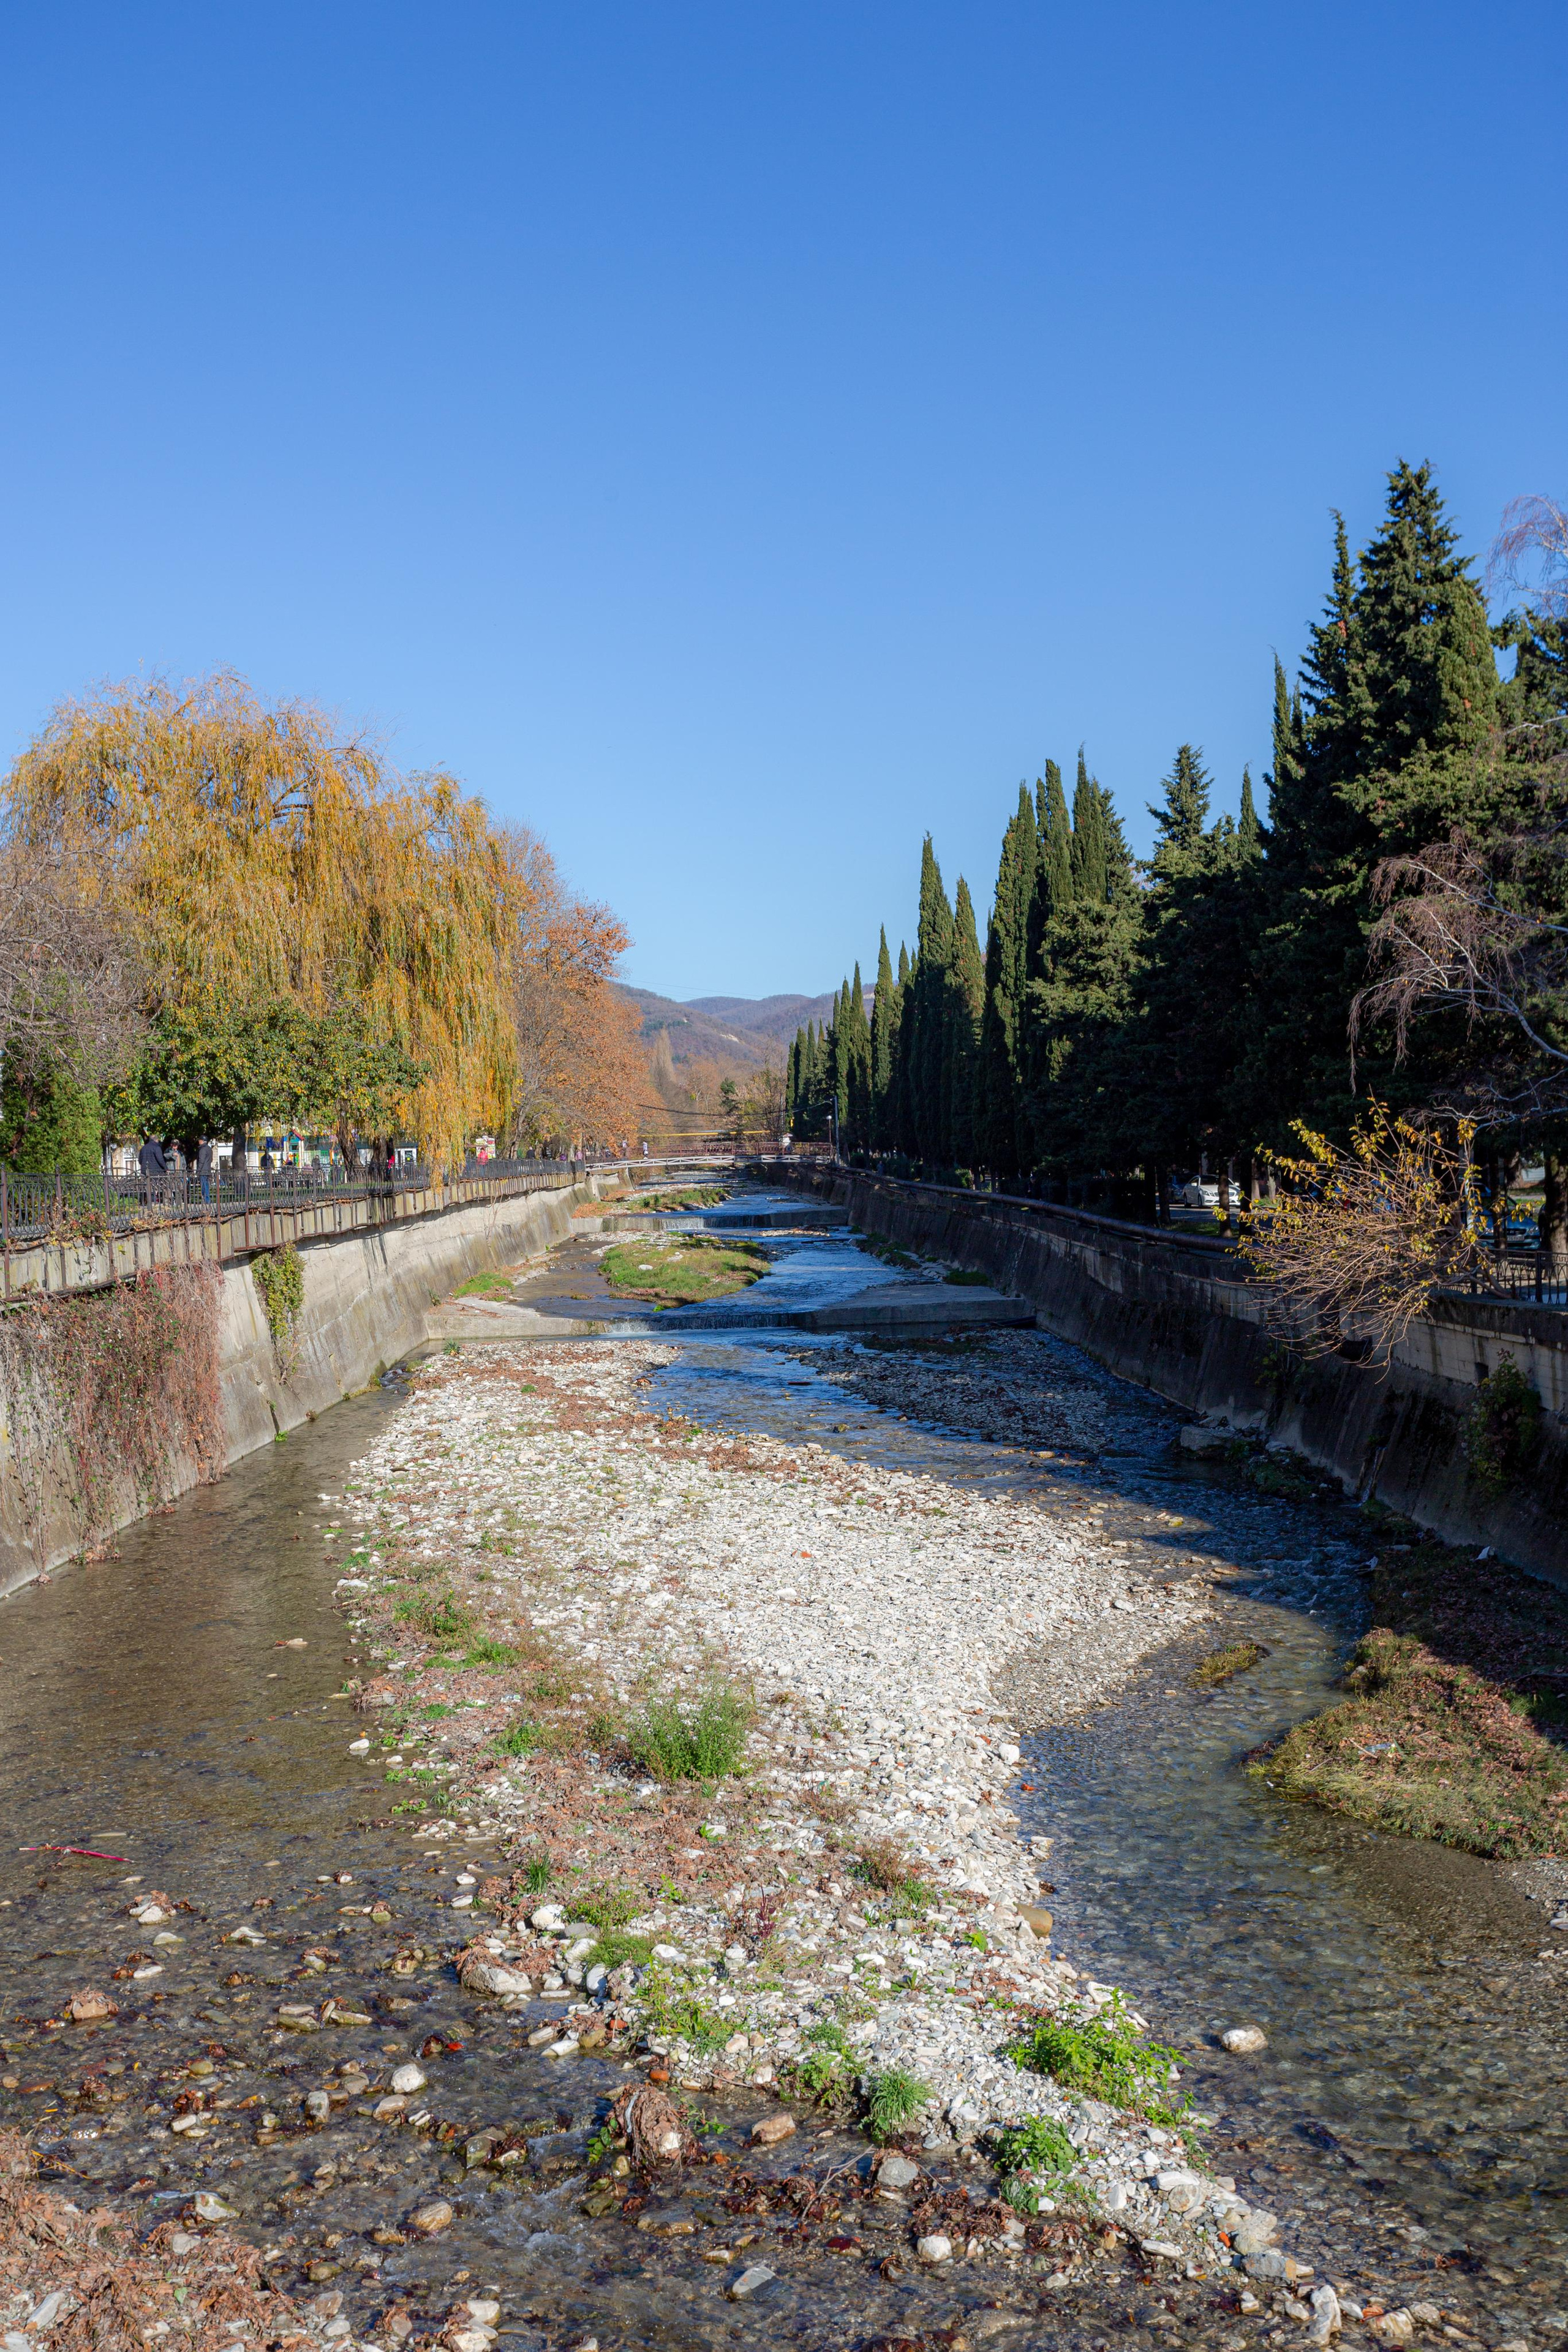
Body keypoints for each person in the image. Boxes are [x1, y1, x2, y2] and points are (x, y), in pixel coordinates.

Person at [197, 1138, 214, 1205]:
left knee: (204, 1186)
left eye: (199, 1140)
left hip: (203, 1170)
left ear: (202, 1141)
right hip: (208, 1169)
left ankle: (206, 1200)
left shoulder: (203, 1149)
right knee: (206, 1185)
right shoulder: (209, 1149)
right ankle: (206, 1199)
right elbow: (211, 1160)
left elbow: (201, 1161)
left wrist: (198, 1171)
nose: (198, 1141)